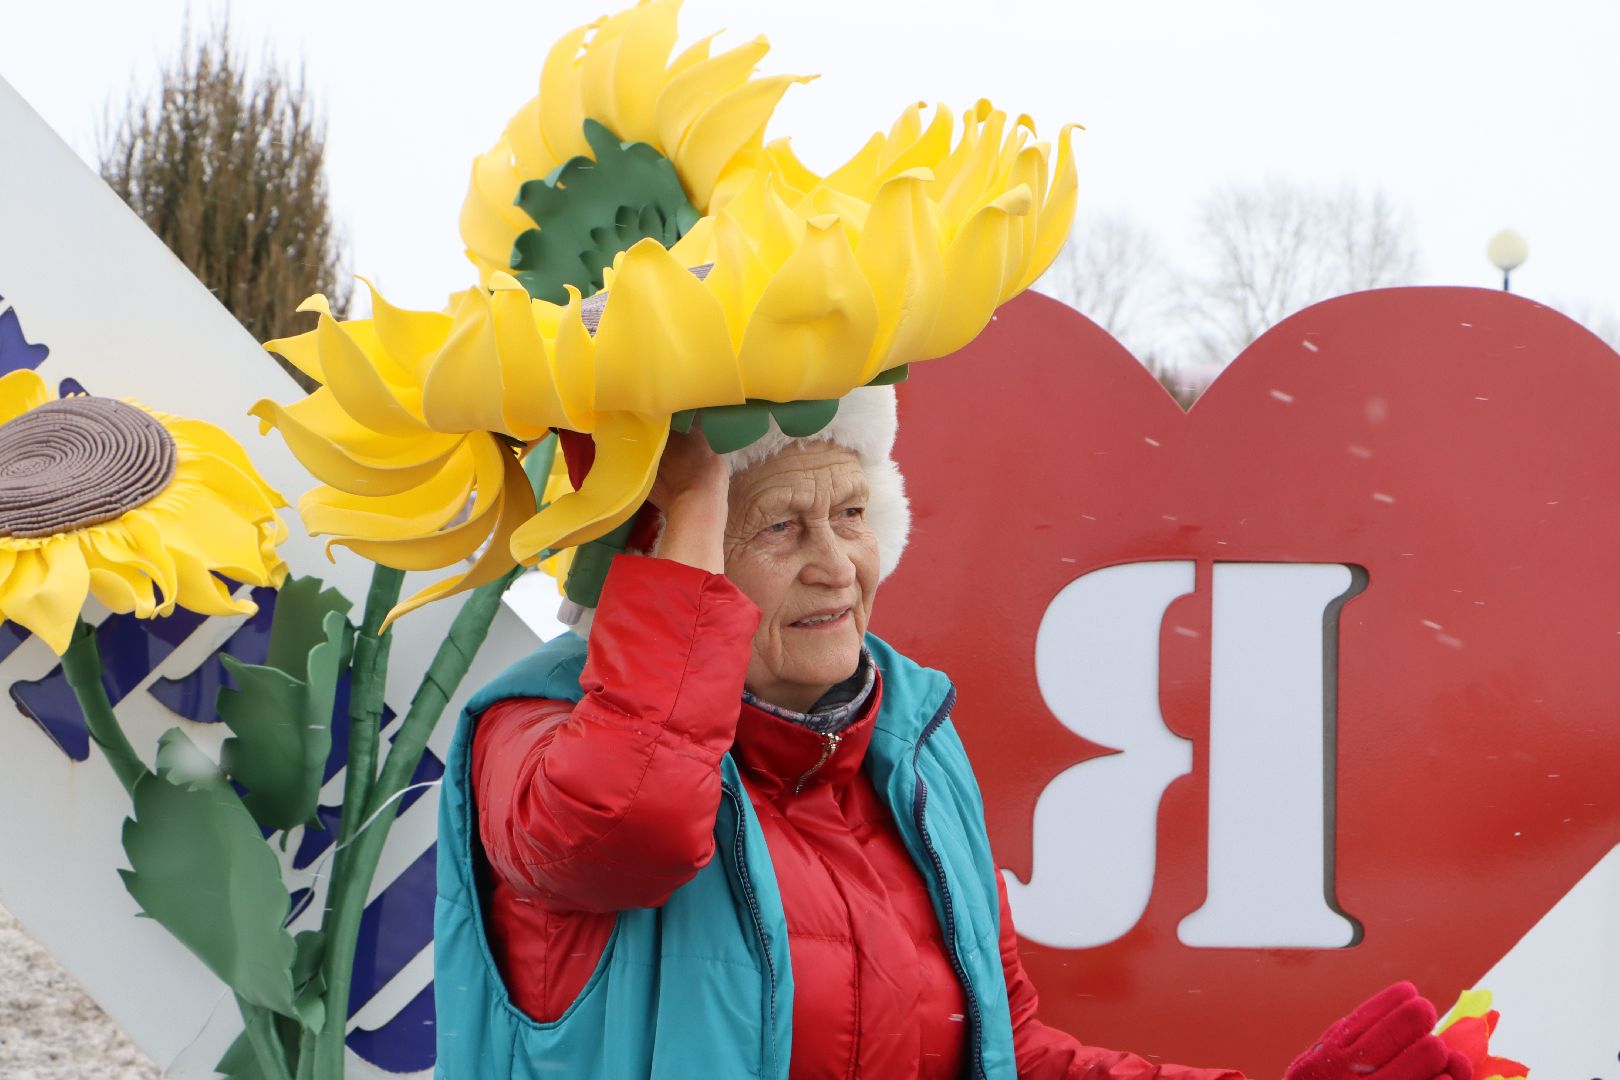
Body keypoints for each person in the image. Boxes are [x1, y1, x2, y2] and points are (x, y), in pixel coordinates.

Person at [432, 386, 1474, 1079]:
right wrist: (693, 489)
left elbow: (1004, 1054)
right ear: (671, 558)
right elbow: (635, 824)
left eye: (852, 515)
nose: (836, 564)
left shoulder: (909, 749)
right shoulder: (539, 734)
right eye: (779, 527)